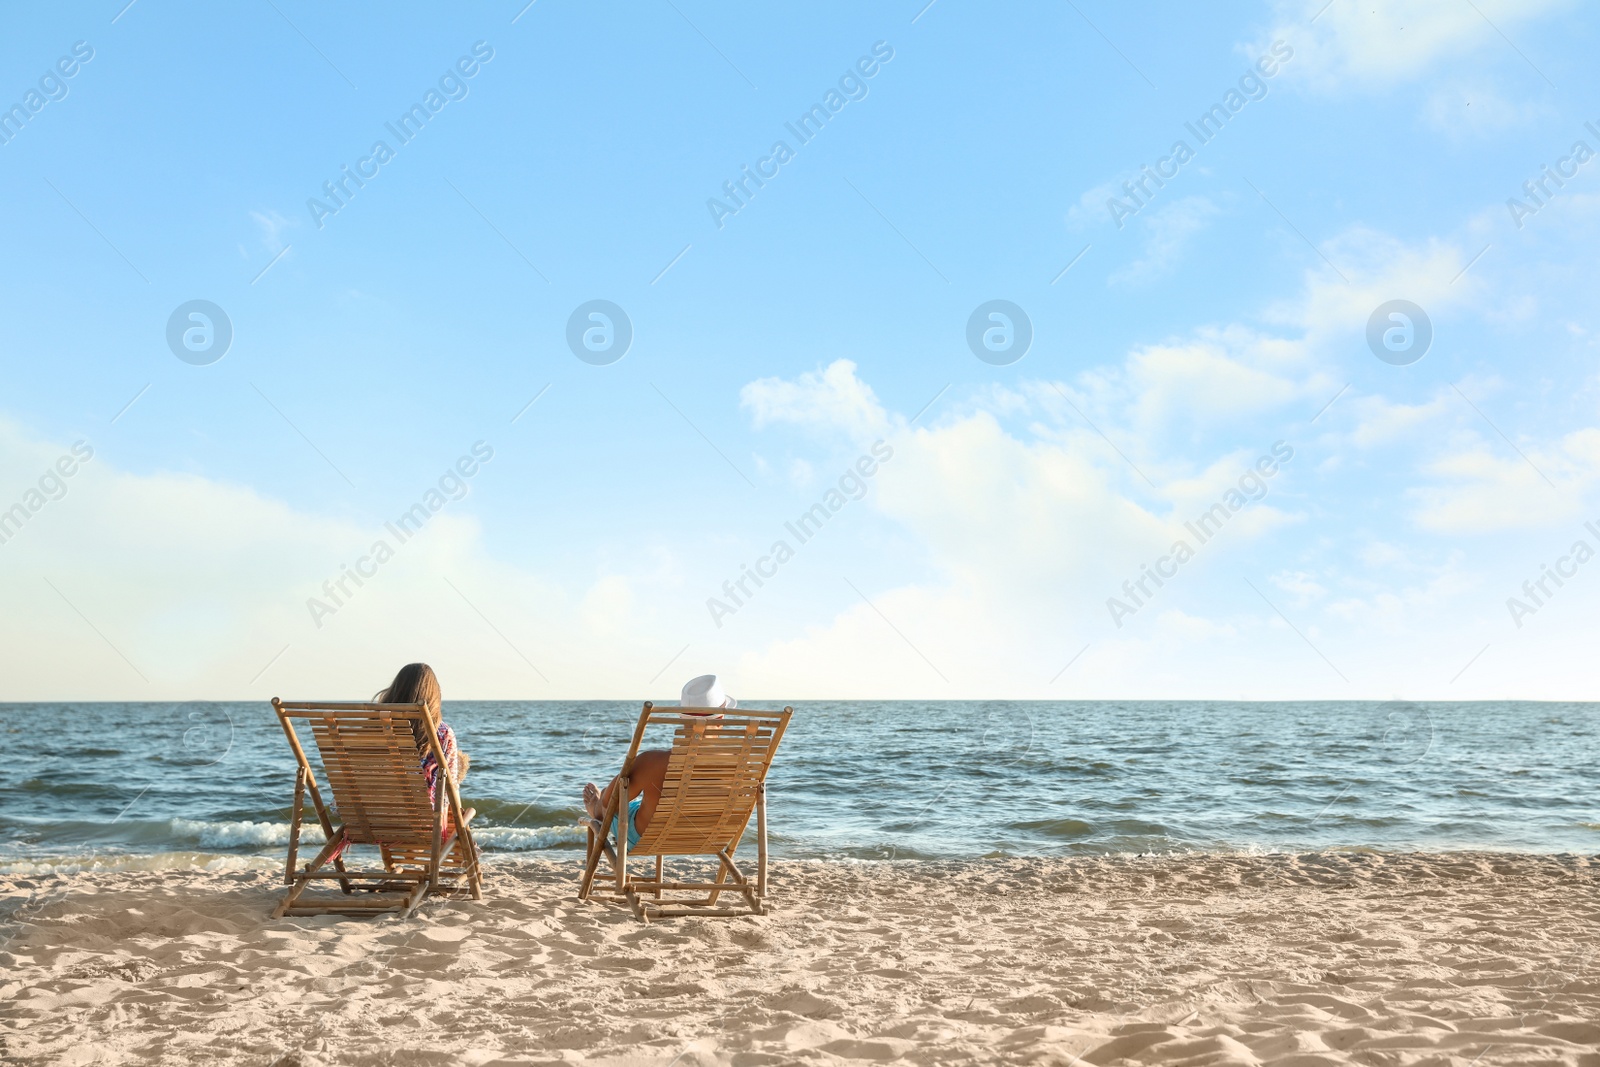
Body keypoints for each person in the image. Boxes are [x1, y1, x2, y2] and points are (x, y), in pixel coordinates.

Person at [582, 674, 733, 847]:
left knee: (610, 802)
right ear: (722, 718)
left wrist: (602, 804)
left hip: (649, 839)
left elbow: (611, 803)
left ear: (681, 717)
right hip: (709, 840)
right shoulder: (744, 766)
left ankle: (595, 809)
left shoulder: (652, 762)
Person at [375, 662, 469, 810]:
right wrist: (461, 821)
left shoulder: (372, 728)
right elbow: (451, 788)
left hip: (368, 822)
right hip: (422, 827)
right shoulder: (442, 733)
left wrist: (352, 823)